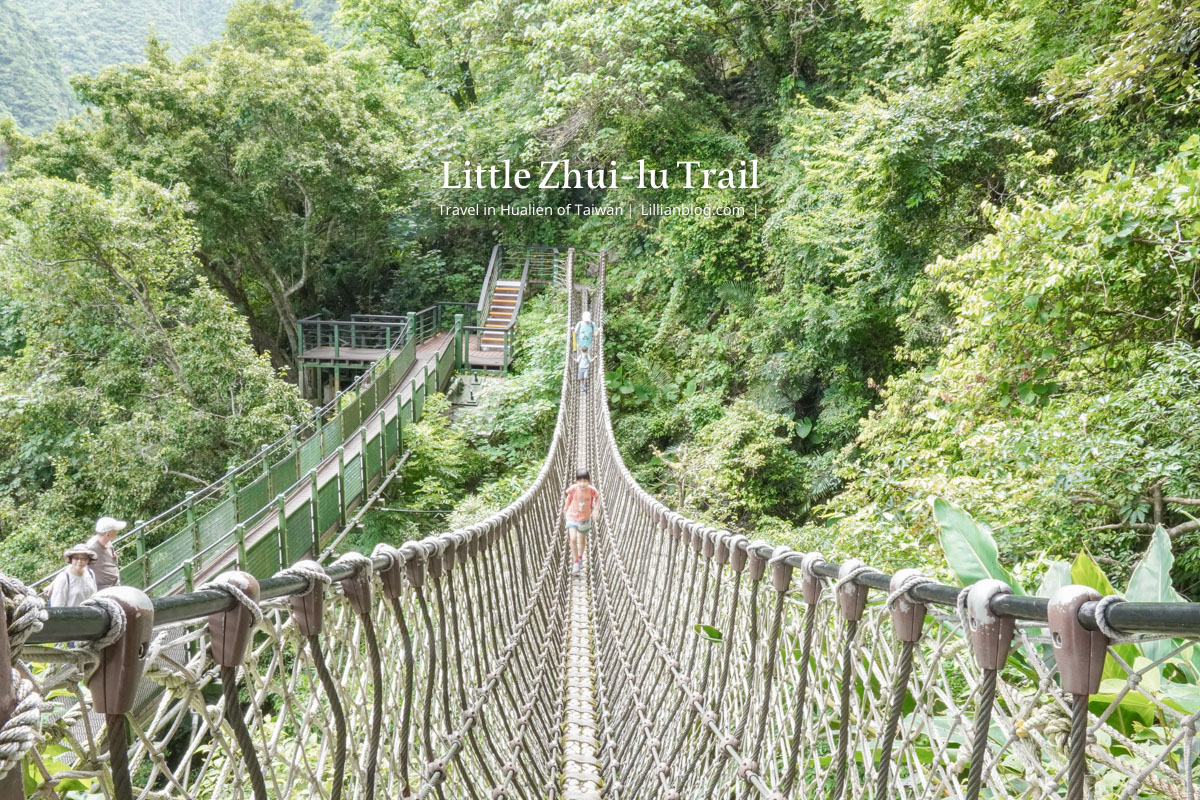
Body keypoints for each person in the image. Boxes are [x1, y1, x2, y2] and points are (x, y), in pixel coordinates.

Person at [563, 469, 600, 576]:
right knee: (573, 538)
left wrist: (596, 509)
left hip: (585, 518)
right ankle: (575, 562)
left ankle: (580, 558)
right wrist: (565, 510)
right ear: (576, 481)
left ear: (589, 481)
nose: (582, 484)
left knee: (582, 539)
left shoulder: (592, 490)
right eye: (580, 481)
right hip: (572, 516)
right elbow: (569, 498)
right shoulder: (573, 489)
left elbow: (598, 498)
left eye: (585, 481)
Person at [85, 516, 126, 590]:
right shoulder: (91, 548)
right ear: (108, 534)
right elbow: (80, 565)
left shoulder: (108, 542)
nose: (117, 532)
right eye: (115, 530)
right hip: (103, 589)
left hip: (115, 584)